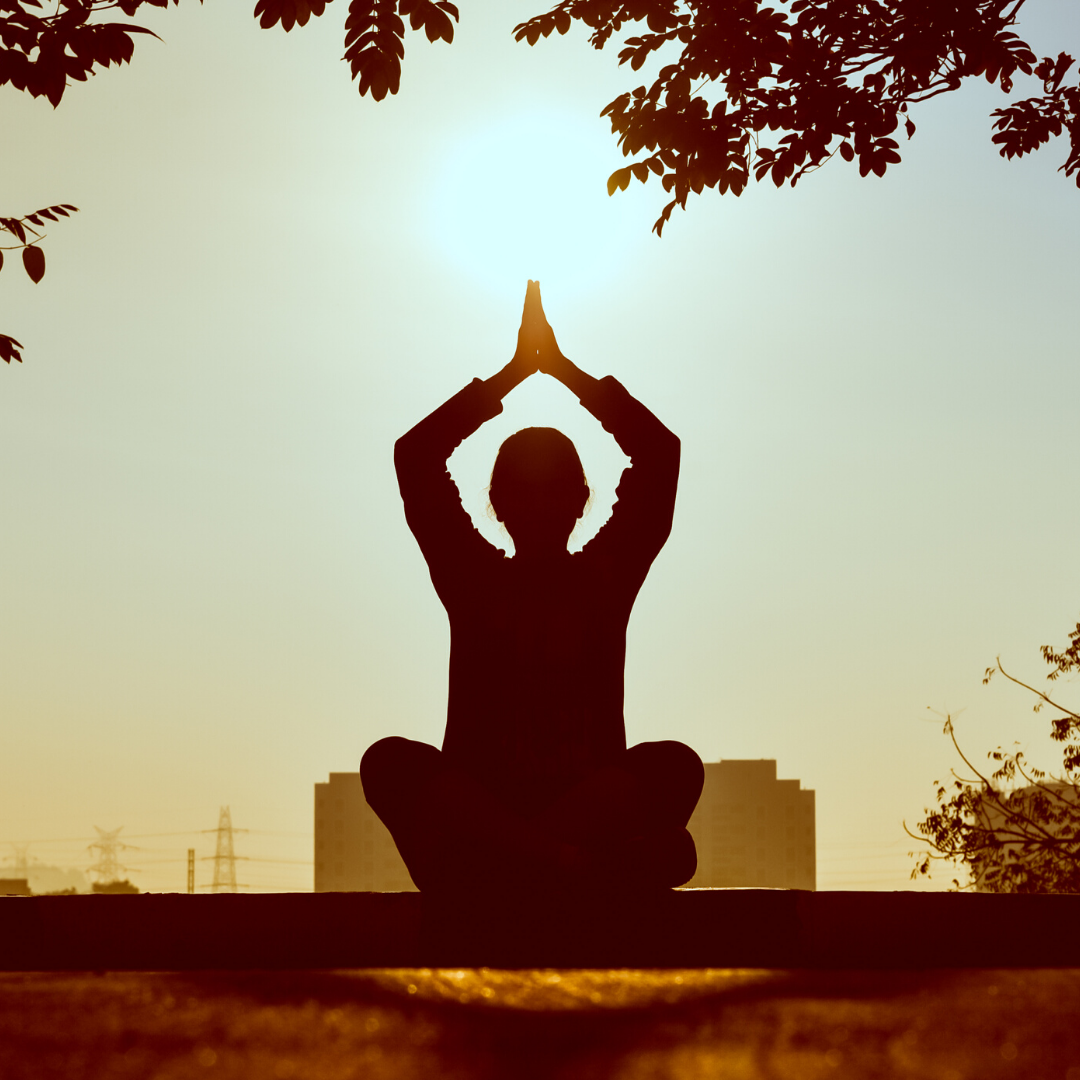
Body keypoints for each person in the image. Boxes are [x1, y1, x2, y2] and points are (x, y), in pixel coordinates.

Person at [361, 281, 703, 894]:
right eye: (525, 491)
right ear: (497, 504)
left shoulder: (603, 580)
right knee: (387, 762)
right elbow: (415, 456)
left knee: (676, 766)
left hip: (532, 831)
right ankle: (559, 864)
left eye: (553, 491)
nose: (540, 506)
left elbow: (660, 454)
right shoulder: (473, 578)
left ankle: (517, 864)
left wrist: (560, 371)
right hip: (497, 816)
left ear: (579, 501)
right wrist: (518, 373)